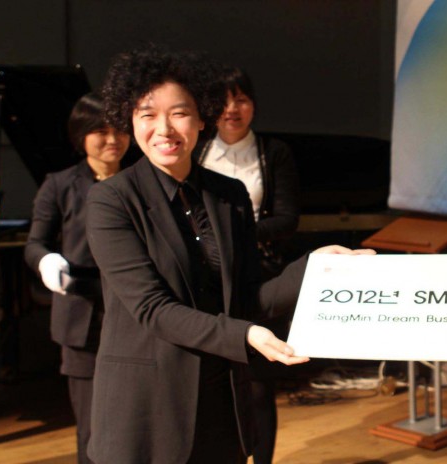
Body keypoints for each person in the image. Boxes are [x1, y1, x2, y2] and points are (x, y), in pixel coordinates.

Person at [86, 46, 371, 464]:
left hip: (220, 399)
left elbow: (248, 299)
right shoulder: (111, 200)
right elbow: (152, 308)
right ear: (130, 120)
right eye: (148, 115)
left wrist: (313, 269)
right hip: (148, 406)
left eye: (179, 113)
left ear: (203, 117)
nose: (164, 128)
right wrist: (245, 335)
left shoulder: (230, 195)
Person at [196, 66, 300, 464]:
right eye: (222, 101)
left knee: (257, 383)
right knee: (209, 381)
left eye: (240, 99)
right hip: (205, 278)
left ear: (253, 105)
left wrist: (235, 234)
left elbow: (287, 220)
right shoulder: (197, 150)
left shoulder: (274, 153)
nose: (231, 109)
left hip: (257, 276)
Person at [24, 92, 130, 464]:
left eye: (119, 129)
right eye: (101, 131)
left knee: (135, 420)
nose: (113, 139)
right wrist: (46, 260)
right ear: (80, 135)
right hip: (82, 311)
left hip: (134, 308)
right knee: (91, 426)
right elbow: (34, 243)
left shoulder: (141, 180)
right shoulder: (60, 183)